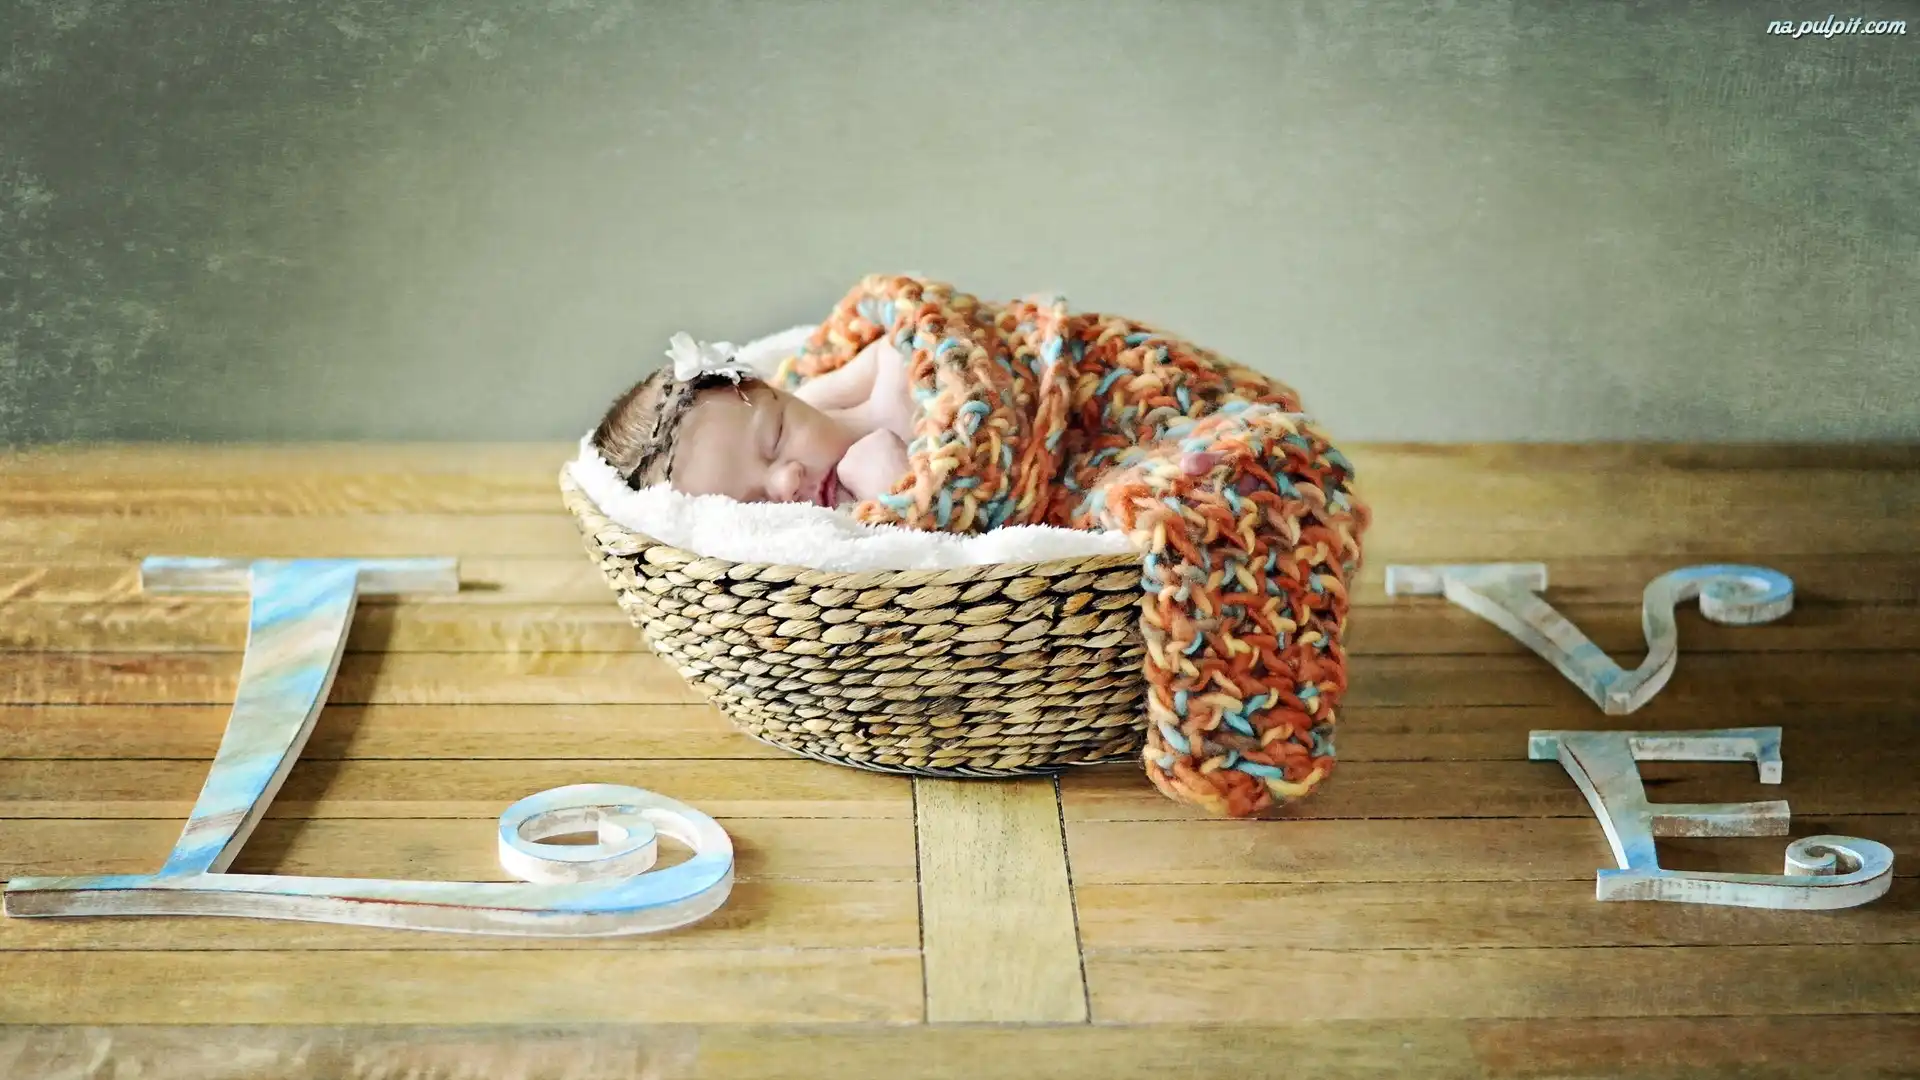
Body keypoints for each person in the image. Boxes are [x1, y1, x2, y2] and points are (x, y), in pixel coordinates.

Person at [591, 333, 916, 508]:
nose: (785, 483)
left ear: (774, 390)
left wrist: (901, 394)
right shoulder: (836, 534)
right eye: (755, 502)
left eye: (777, 437)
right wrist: (897, 488)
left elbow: (894, 345)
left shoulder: (816, 396)